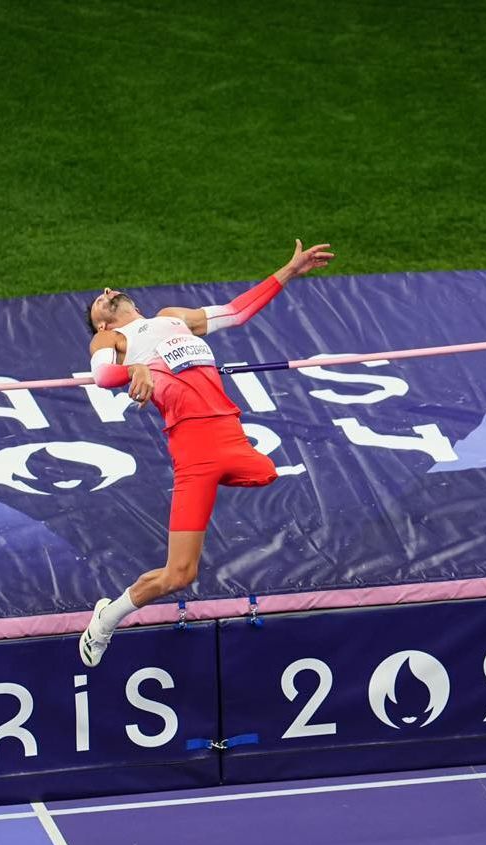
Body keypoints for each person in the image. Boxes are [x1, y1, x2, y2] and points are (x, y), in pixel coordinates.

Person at [78, 240, 335, 665]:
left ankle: (119, 606)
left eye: (106, 291)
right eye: (97, 302)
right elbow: (104, 376)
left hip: (231, 435)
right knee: (181, 574)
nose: (105, 292)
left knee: (267, 472)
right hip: (193, 451)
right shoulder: (114, 340)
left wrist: (288, 271)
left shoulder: (173, 318)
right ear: (102, 324)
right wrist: (136, 368)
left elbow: (236, 312)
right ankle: (108, 618)